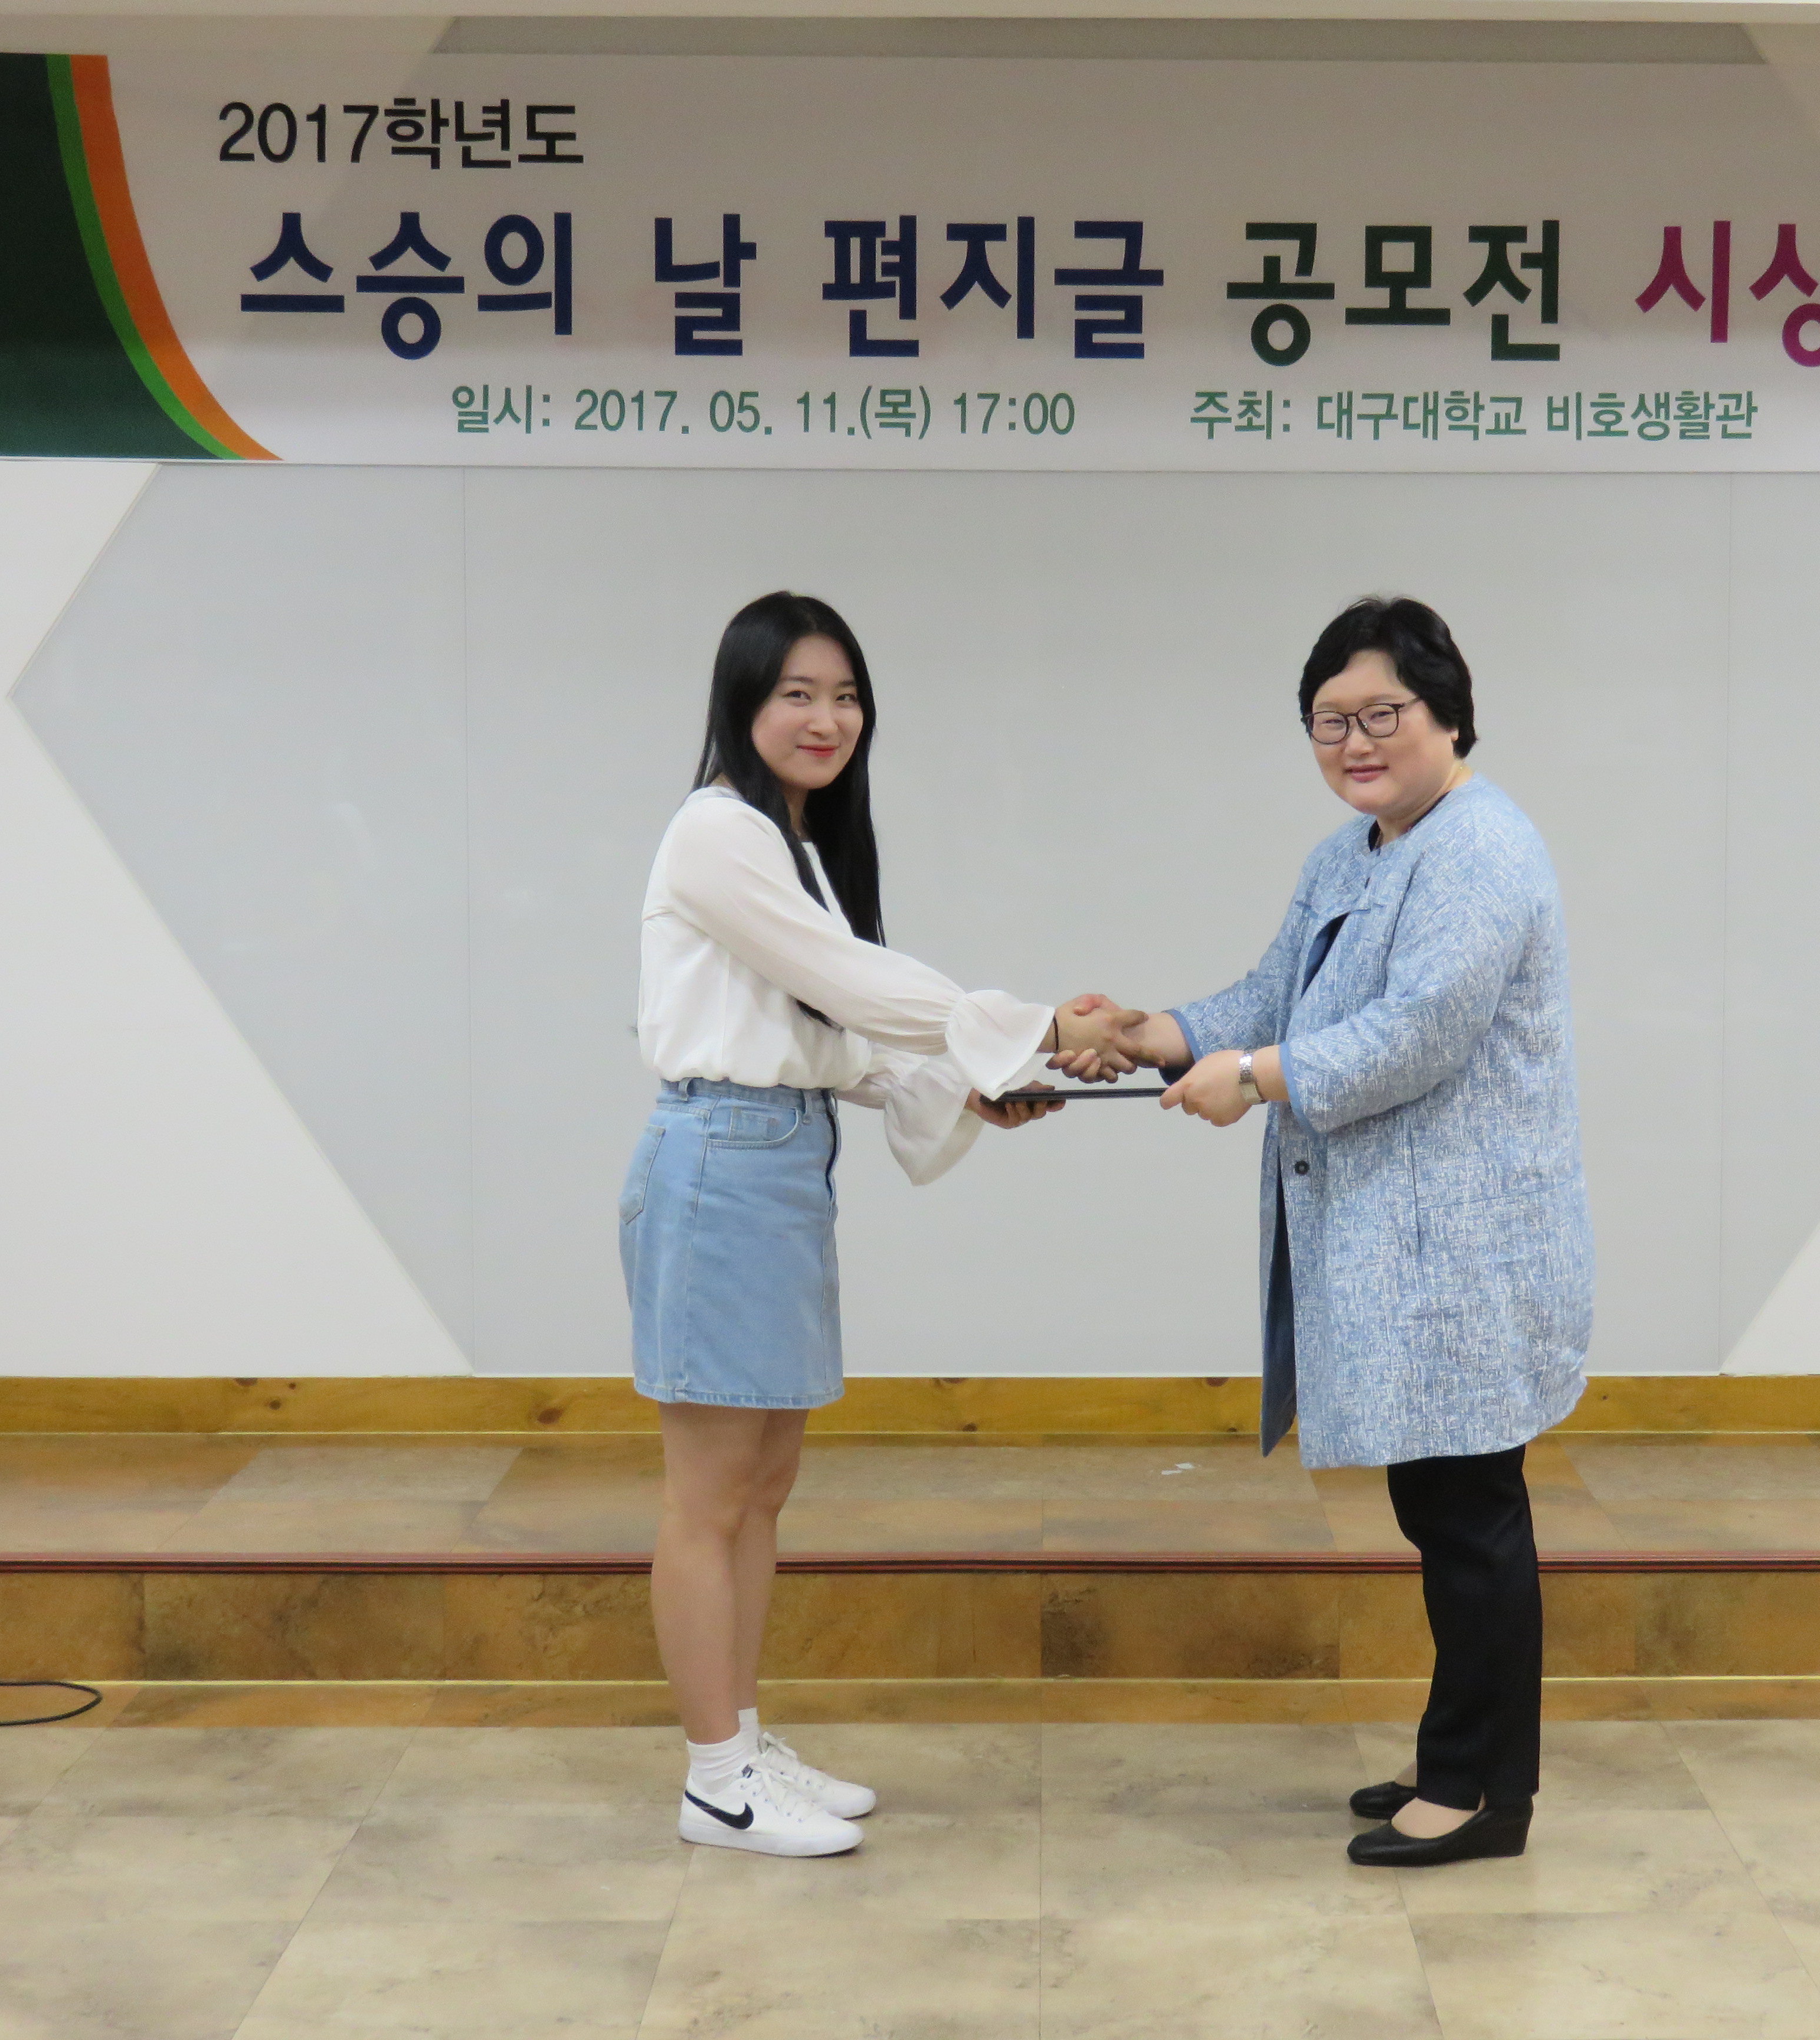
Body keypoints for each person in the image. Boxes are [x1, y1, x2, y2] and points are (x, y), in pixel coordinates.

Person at [1064, 596, 1590, 1868]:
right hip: (1402, 1248)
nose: (1356, 743)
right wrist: (1152, 1033)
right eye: (1328, 721)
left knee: (1470, 1517)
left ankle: (1485, 1793)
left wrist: (1256, 1077)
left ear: (1448, 712)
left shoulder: (1482, 848)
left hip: (1464, 1250)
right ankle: (1458, 1751)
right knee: (1442, 1511)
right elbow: (1273, 993)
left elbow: (1417, 1033)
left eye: (1381, 715)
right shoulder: (1354, 851)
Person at [626, 590, 1136, 1858]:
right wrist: (1035, 1026)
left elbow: (837, 1042)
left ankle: (741, 1742)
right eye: (797, 693)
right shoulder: (717, 832)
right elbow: (856, 986)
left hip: (780, 1159)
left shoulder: (791, 845)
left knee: (763, 1486)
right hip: (720, 1163)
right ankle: (714, 1781)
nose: (828, 718)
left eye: (846, 695)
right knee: (709, 1496)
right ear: (741, 703)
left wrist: (978, 1081)